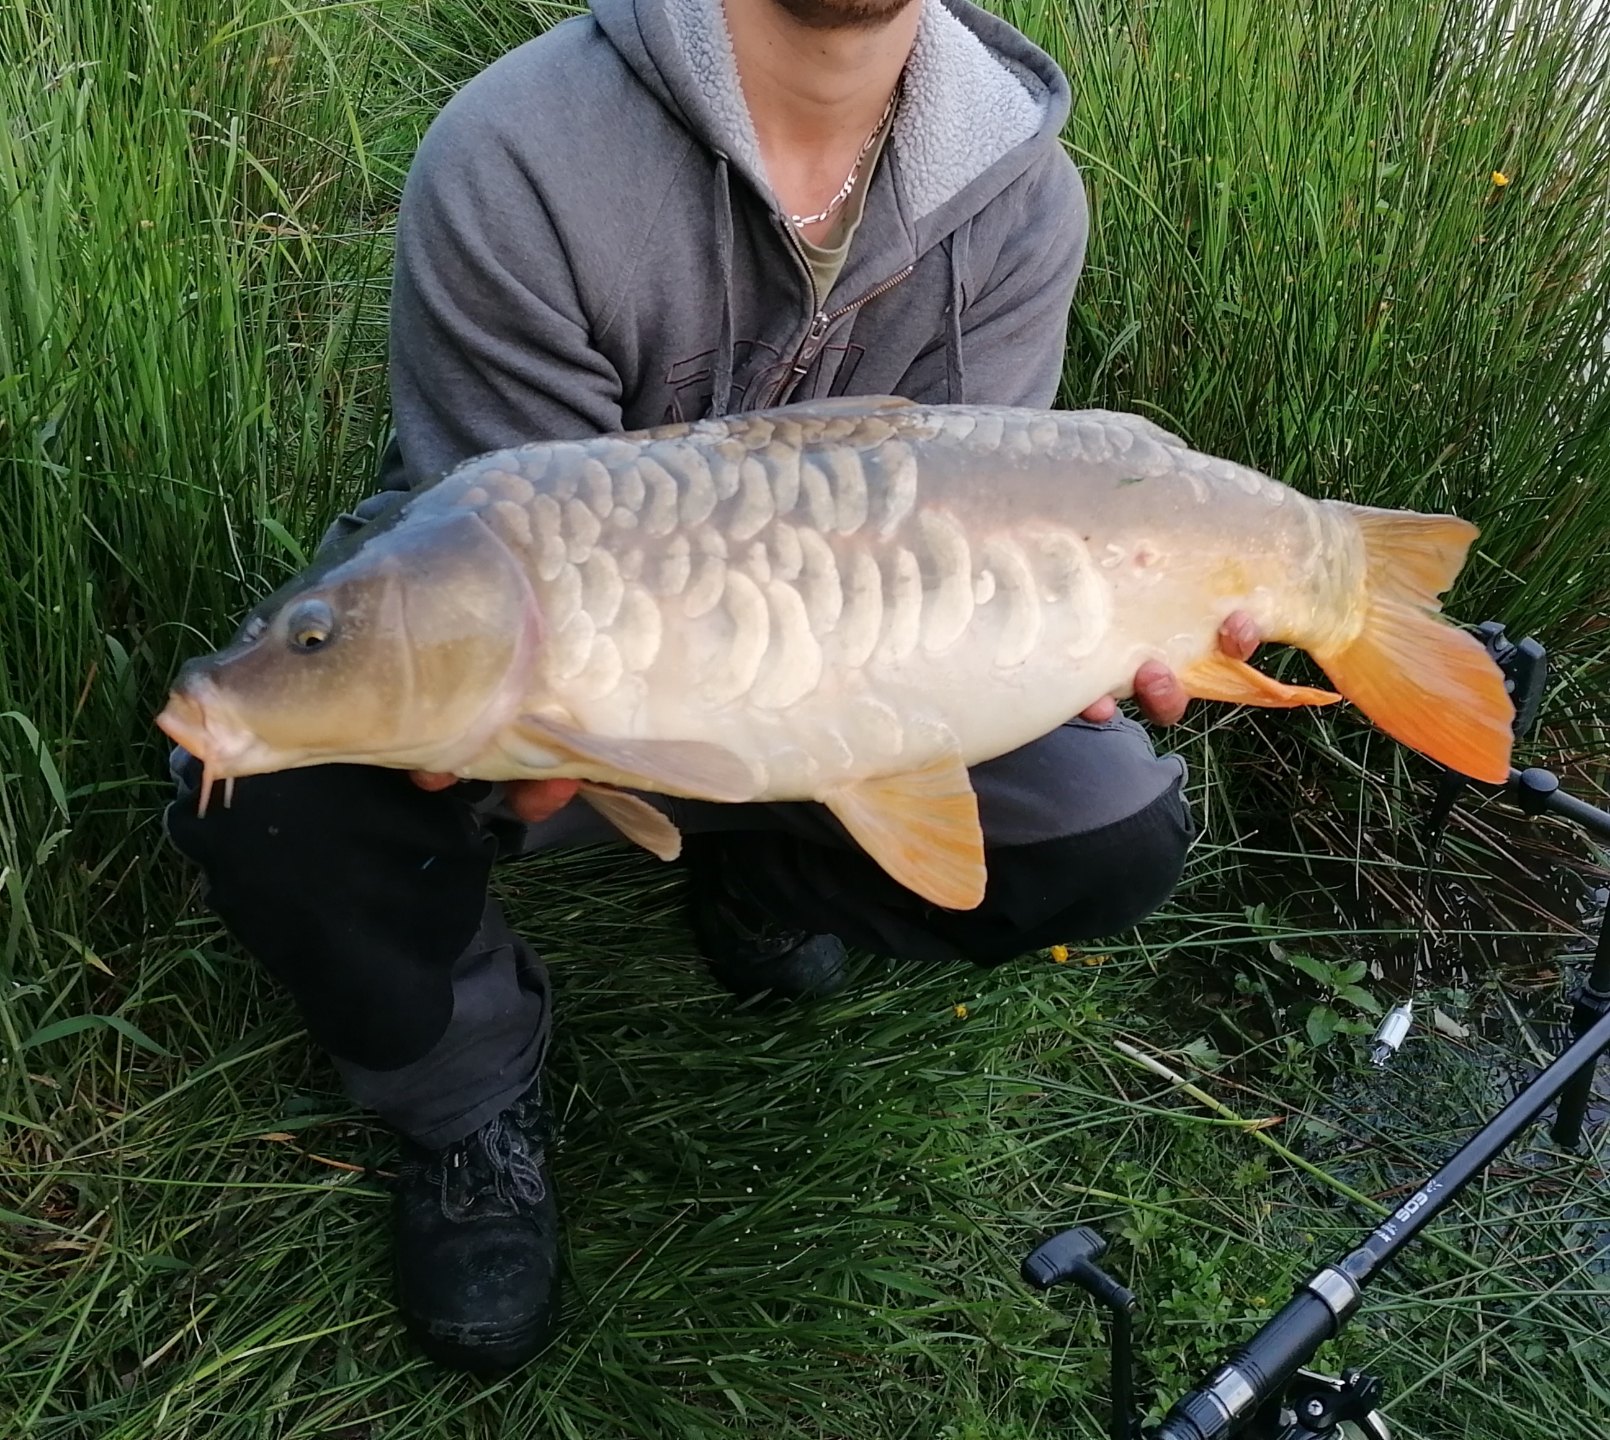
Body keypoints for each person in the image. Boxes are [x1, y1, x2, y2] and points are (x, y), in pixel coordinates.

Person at [165, 0, 1261, 1377]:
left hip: (871, 656)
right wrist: (546, 738)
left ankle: (762, 884)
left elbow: (987, 499)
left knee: (1109, 832)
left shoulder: (1022, 191)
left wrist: (1069, 640)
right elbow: (504, 529)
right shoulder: (518, 151)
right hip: (561, 641)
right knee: (285, 803)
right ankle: (462, 1101)